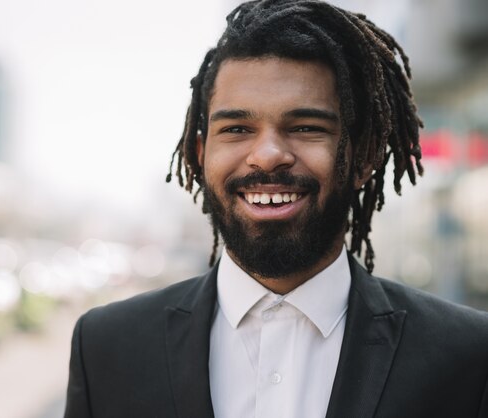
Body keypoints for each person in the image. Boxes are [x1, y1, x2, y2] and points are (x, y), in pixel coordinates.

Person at [64, 1, 488, 417]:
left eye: (305, 127)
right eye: (237, 129)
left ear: (363, 157)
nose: (267, 155)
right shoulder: (105, 348)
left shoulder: (467, 355)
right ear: (199, 156)